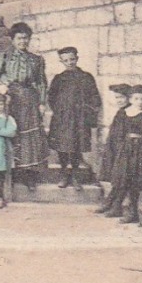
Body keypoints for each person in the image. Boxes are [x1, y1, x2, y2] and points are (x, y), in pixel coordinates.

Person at [0, 22, 48, 188]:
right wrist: (0, 86)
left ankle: (28, 174)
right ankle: (12, 171)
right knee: (13, 133)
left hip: (29, 99)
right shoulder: (6, 57)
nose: (23, 41)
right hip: (11, 99)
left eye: (26, 38)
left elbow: (42, 82)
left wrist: (42, 103)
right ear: (13, 40)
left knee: (29, 136)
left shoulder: (36, 60)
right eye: (20, 38)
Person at [47, 46, 103, 188]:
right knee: (62, 147)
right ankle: (65, 173)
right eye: (66, 60)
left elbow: (95, 97)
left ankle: (76, 175)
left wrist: (89, 114)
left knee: (77, 146)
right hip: (63, 119)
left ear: (77, 59)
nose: (70, 62)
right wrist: (61, 111)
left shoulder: (86, 77)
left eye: (72, 59)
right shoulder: (59, 79)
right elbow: (51, 97)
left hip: (80, 119)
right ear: (61, 61)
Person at [103, 85, 142, 225]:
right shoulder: (124, 115)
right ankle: (130, 212)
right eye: (136, 98)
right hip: (126, 152)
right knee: (125, 180)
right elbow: (118, 134)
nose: (139, 101)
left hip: (140, 152)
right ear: (131, 99)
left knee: (137, 181)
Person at [94, 84, 133, 204]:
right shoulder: (120, 112)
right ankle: (112, 202)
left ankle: (114, 203)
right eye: (117, 98)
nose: (119, 100)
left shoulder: (130, 112)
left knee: (121, 176)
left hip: (124, 150)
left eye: (122, 97)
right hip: (115, 147)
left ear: (129, 98)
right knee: (115, 176)